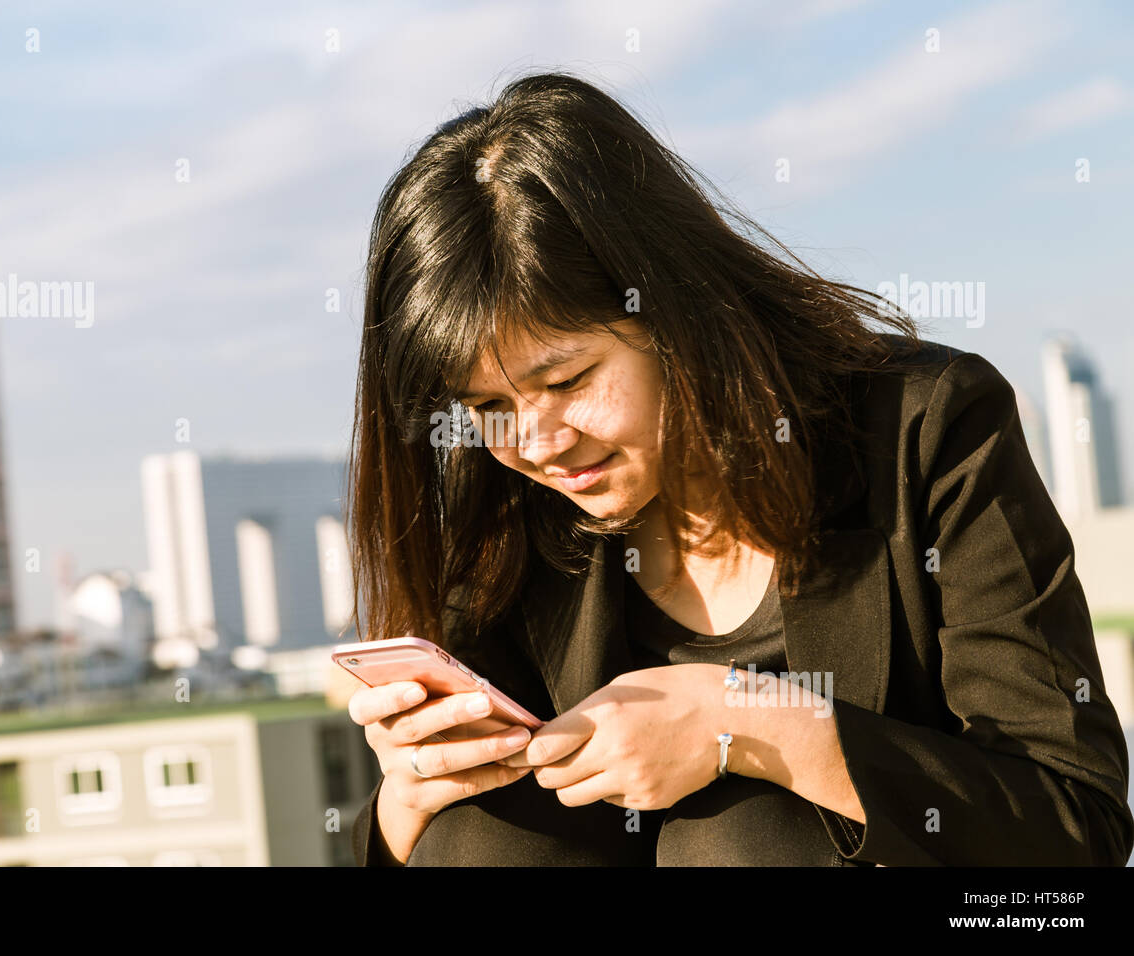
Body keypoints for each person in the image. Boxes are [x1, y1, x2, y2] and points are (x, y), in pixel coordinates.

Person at [340, 70, 1134, 866]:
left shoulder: (924, 429)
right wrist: (408, 804)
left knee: (743, 832)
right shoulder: (504, 509)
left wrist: (756, 723)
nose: (539, 444)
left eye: (568, 381)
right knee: (480, 836)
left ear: (672, 311)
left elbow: (1076, 827)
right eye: (486, 407)